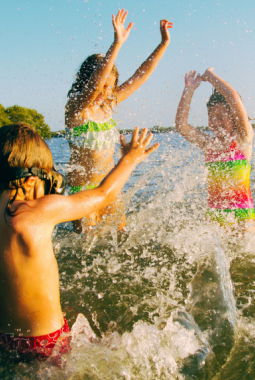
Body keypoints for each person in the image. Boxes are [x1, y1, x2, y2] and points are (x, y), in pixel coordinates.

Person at [0, 123, 158, 360]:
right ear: (28, 181)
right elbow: (103, 195)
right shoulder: (34, 213)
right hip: (45, 342)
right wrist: (130, 158)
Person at [64, 9, 172, 233]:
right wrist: (117, 44)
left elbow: (140, 76)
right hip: (82, 190)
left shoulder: (107, 105)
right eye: (102, 85)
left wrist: (163, 44)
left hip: (110, 186)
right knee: (88, 245)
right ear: (87, 82)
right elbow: (94, 87)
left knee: (122, 237)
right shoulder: (75, 109)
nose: (105, 92)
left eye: (110, 86)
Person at [174, 68, 255, 232]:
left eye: (220, 117)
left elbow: (233, 98)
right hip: (215, 215)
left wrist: (210, 76)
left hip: (242, 217)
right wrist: (189, 89)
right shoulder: (208, 144)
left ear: (234, 116)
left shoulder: (242, 139)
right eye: (211, 117)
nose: (215, 122)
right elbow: (181, 126)